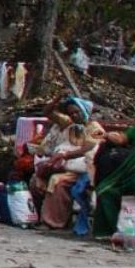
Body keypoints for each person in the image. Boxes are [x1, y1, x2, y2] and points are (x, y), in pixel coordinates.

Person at [34, 96, 104, 229]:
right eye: (71, 113)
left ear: (84, 111)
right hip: (67, 165)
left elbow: (87, 149)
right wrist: (56, 100)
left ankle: (54, 222)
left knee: (57, 181)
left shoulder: (95, 128)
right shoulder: (69, 123)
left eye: (77, 112)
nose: (74, 115)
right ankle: (36, 215)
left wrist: (64, 156)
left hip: (85, 169)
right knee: (36, 178)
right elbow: (47, 113)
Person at [91, 106, 135, 239]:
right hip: (129, 175)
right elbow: (121, 139)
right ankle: (112, 232)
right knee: (105, 191)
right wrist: (107, 135)